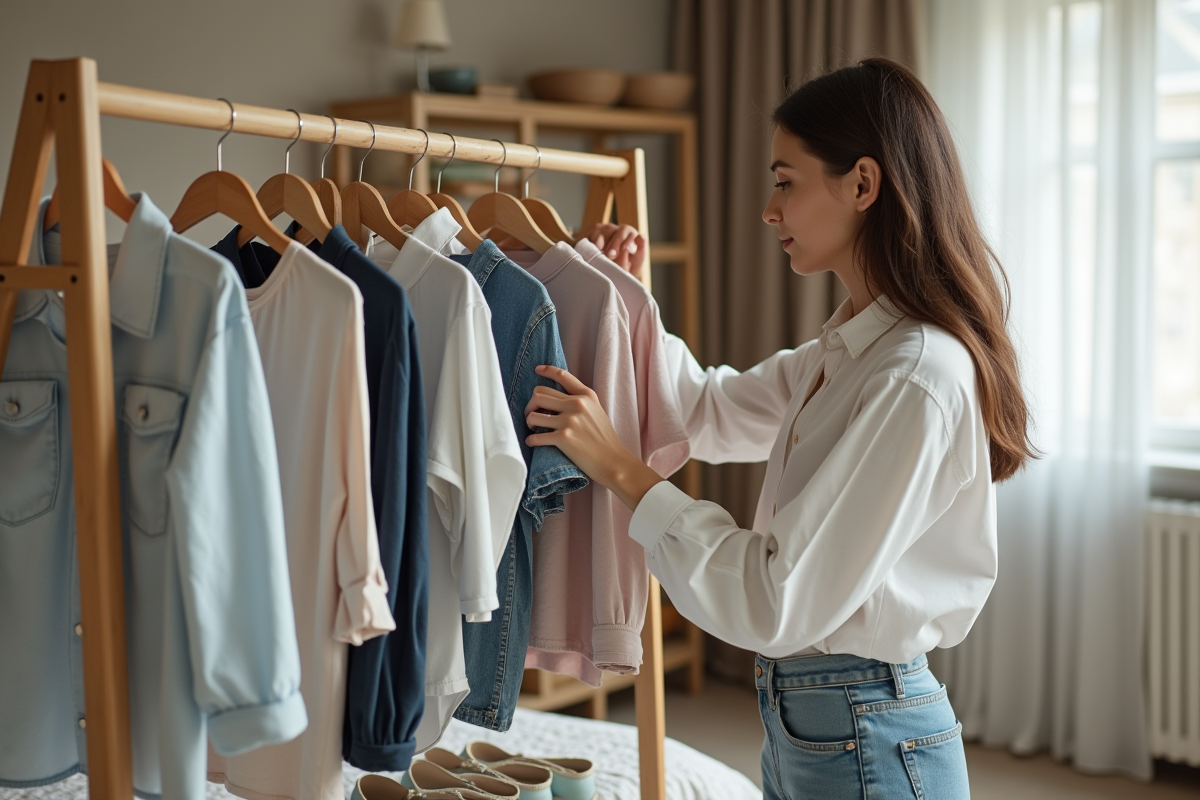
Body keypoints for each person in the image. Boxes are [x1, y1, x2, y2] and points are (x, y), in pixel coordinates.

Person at [523, 58, 1034, 799]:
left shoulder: (913, 377)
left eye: (786, 182)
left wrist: (623, 472)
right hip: (818, 719)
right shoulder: (851, 349)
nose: (769, 209)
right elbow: (704, 408)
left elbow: (774, 597)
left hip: (864, 727)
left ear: (862, 185)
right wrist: (625, 297)